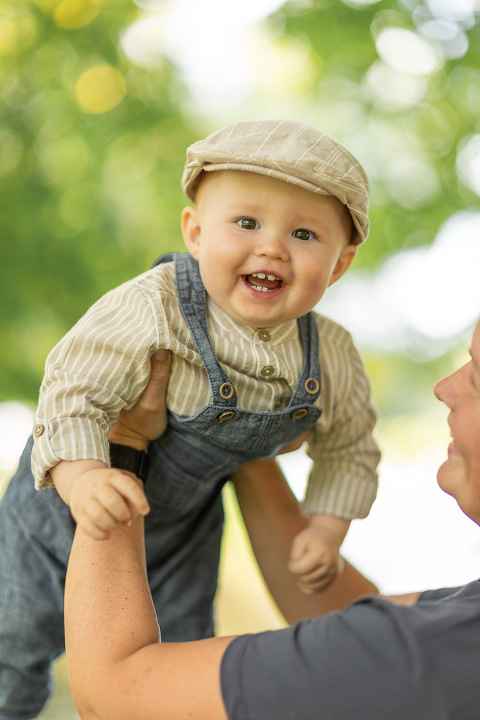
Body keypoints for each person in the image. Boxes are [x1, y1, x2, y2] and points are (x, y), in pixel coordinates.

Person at [0, 119, 380, 718]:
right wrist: (83, 478)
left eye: (304, 233)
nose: (272, 247)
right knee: (9, 649)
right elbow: (73, 389)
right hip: (53, 516)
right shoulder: (155, 304)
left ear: (338, 265)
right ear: (196, 233)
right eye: (247, 223)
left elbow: (351, 445)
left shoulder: (328, 353)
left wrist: (326, 526)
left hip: (180, 540)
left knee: (171, 670)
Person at [65, 315, 480, 720]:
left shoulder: (437, 652)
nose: (444, 387)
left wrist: (124, 442)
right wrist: (243, 436)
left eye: (476, 379)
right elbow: (347, 615)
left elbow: (113, 696)